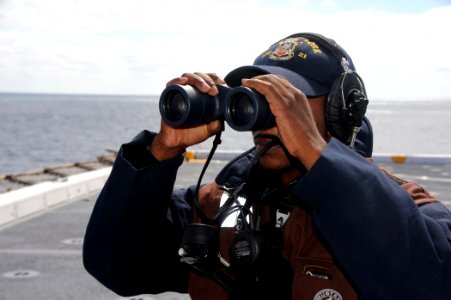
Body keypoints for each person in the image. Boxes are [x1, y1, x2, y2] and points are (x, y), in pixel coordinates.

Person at [83, 33, 451, 299]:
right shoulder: (220, 205)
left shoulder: (408, 209)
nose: (266, 116)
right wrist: (157, 156)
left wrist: (316, 154)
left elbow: (433, 281)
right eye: (256, 98)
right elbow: (115, 265)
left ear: (343, 109)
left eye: (288, 98)